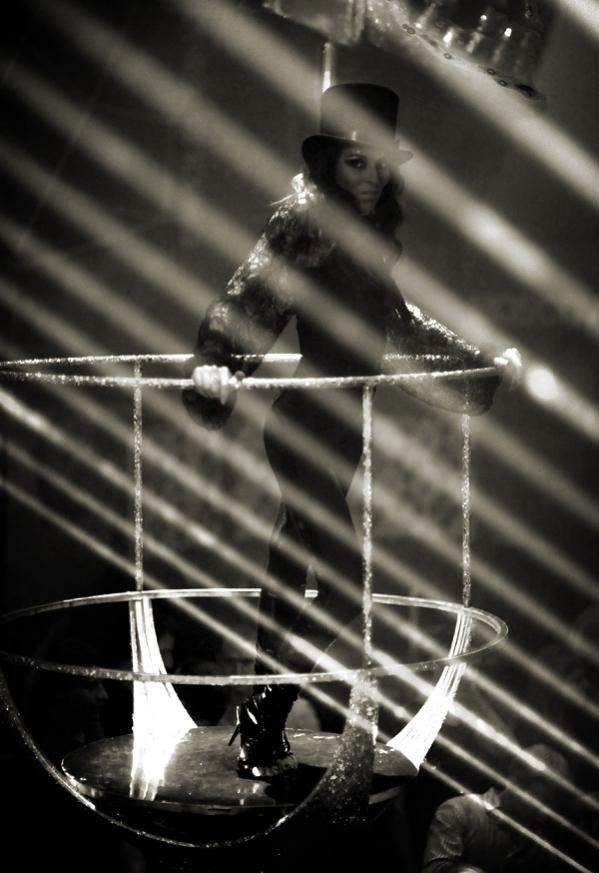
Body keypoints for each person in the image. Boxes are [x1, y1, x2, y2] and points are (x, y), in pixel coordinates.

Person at [183, 83, 520, 781]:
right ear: (329, 165)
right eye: (355, 163)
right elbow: (247, 301)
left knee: (285, 576)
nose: (370, 177)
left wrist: (482, 364)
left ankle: (259, 736)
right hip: (304, 425)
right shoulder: (304, 231)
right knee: (342, 586)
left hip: (344, 429)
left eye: (378, 164)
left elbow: (406, 330)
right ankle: (264, 714)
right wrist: (216, 363)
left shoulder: (365, 247)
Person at [421, 743, 572, 872]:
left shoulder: (538, 844)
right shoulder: (459, 811)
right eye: (538, 804)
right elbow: (435, 869)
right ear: (516, 782)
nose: (543, 815)